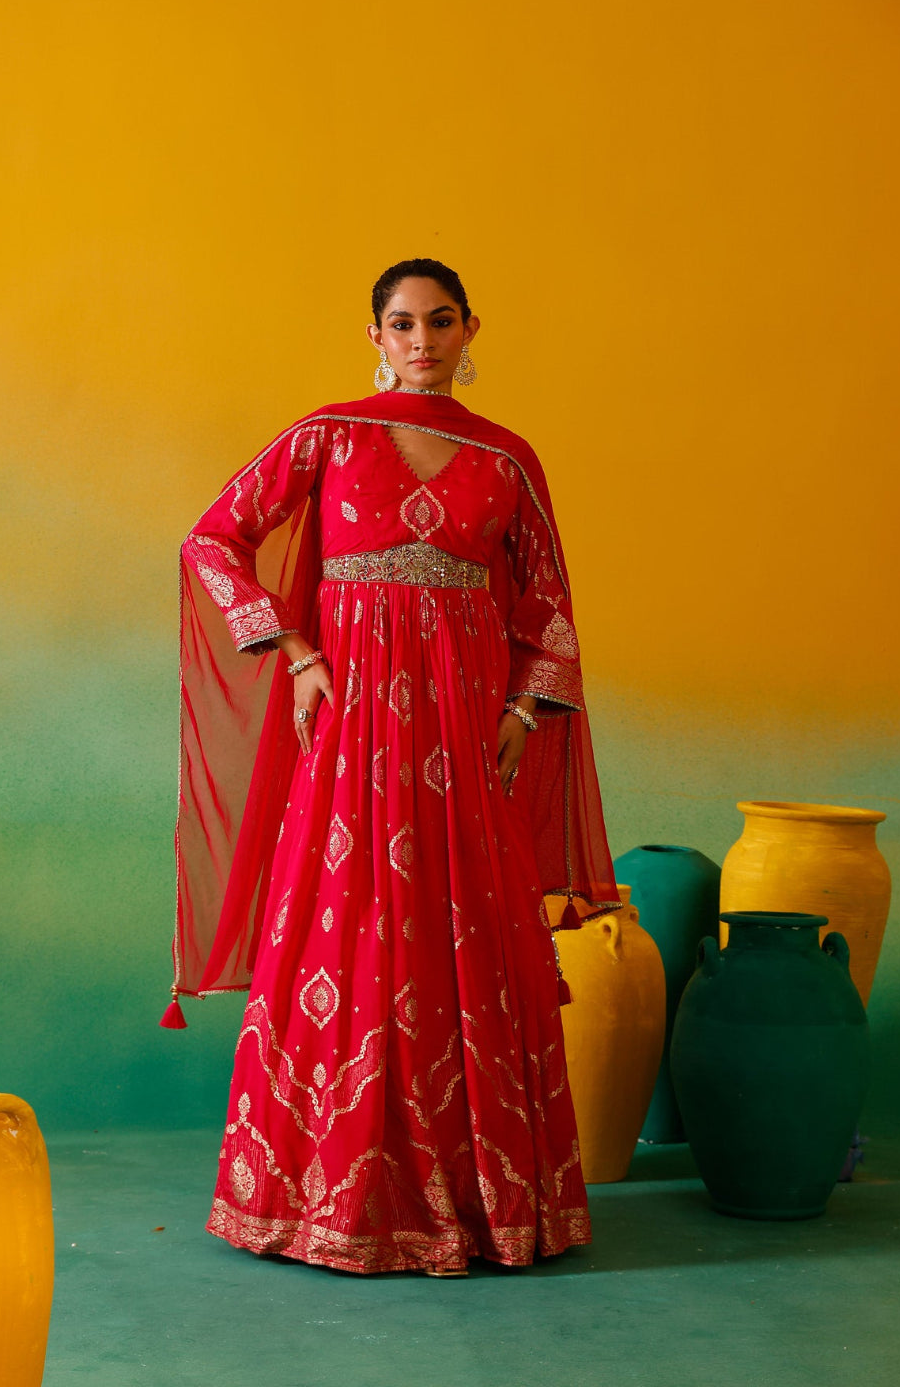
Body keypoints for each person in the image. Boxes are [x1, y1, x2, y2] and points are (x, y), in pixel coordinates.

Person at [164, 259, 620, 1276]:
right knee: (351, 925)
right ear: (374, 335)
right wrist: (296, 651)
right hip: (353, 728)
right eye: (402, 323)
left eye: (440, 322)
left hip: (464, 732)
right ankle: (326, 1196)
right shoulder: (328, 435)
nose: (421, 341)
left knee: (470, 936)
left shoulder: (507, 459)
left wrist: (522, 709)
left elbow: (548, 602)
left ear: (469, 332)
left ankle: (483, 1203)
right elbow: (212, 541)